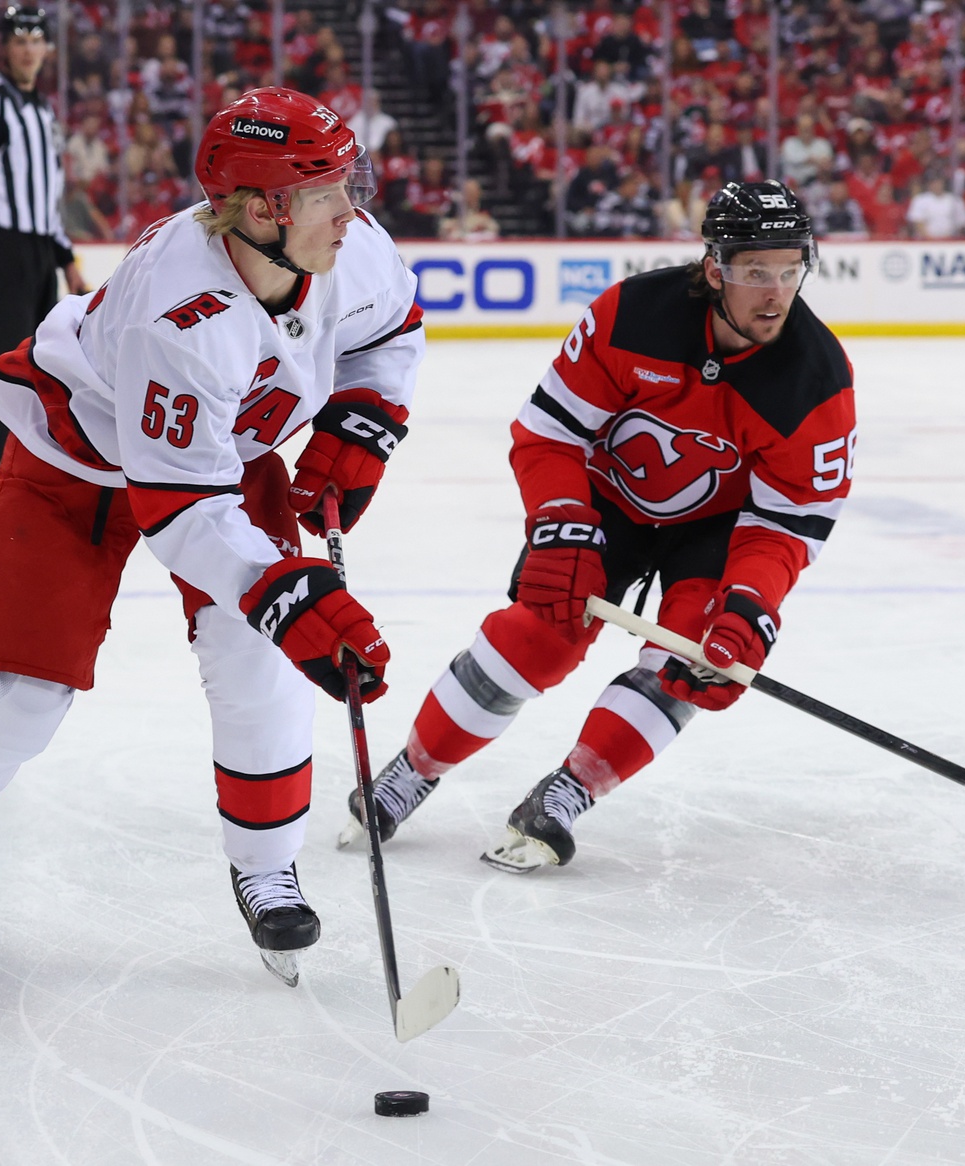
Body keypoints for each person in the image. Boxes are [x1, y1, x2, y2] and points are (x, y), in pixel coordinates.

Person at [0, 89, 424, 986]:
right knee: (17, 698)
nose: (352, 209)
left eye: (345, 182)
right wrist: (287, 593)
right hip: (73, 466)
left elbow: (395, 330)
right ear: (262, 209)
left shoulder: (350, 250)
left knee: (259, 665)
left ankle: (266, 867)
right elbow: (178, 512)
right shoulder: (181, 315)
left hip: (223, 459)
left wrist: (363, 422)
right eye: (328, 190)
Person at [337, 181, 856, 874]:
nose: (775, 293)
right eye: (755, 272)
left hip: (719, 529)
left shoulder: (816, 379)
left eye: (790, 270)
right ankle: (412, 771)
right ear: (714, 270)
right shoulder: (632, 315)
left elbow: (786, 522)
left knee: (694, 655)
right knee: (538, 634)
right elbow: (550, 434)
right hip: (603, 501)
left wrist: (750, 604)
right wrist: (560, 522)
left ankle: (565, 795)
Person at [0, 6, 88, 546]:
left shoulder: (42, 111)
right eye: (19, 39)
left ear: (47, 48)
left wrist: (66, 255)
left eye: (37, 39)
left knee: (40, 373)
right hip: (0, 254)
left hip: (38, 257)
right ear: (5, 46)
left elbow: (49, 196)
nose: (28, 49)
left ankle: (22, 493)